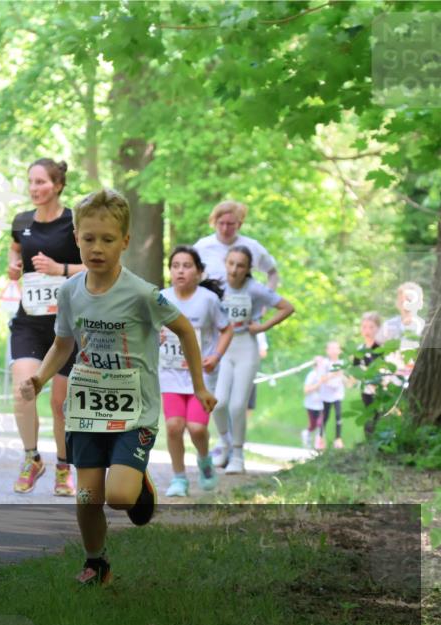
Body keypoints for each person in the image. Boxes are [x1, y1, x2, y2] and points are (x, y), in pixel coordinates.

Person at [19, 188, 216, 586]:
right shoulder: (70, 292)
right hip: (88, 407)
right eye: (88, 238)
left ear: (124, 242)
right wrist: (40, 378)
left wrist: (199, 386)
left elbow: (186, 332)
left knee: (120, 497)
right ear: (76, 237)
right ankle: (97, 562)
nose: (97, 248)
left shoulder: (142, 294)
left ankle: (138, 481)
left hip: (134, 410)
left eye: (108, 240)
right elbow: (63, 344)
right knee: (88, 497)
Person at [7, 158, 82, 496]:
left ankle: (64, 467)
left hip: (65, 327)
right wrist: (13, 266)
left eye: (41, 182)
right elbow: (16, 251)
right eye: (31, 182)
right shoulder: (22, 221)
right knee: (24, 388)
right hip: (28, 322)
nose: (34, 189)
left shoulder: (74, 221)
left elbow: (99, 265)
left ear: (58, 185)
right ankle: (32, 458)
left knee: (60, 404)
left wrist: (60, 269)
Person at [212, 246, 294, 474]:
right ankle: (223, 443)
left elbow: (287, 307)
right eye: (231, 264)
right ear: (225, 263)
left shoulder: (256, 289)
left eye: (240, 265)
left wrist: (262, 327)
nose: (235, 269)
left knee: (238, 405)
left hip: (246, 348)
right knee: (218, 403)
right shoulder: (217, 286)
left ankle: (238, 455)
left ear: (248, 269)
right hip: (224, 349)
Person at [159, 246, 231, 497]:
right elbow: (148, 329)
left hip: (202, 376)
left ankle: (204, 460)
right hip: (170, 374)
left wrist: (216, 356)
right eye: (175, 265)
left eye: (187, 266)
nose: (180, 270)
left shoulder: (208, 300)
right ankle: (179, 478)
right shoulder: (161, 298)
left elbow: (227, 329)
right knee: (174, 426)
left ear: (199, 272)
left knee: (197, 428)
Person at [193, 200, 279, 288]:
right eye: (221, 223)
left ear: (239, 224)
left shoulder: (251, 246)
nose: (225, 228)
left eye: (230, 224)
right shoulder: (202, 247)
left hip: (242, 299)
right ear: (214, 223)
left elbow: (272, 273)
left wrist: (267, 297)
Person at [380, 281, 425, 381]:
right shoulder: (388, 326)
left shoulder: (425, 328)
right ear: (397, 303)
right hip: (393, 378)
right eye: (402, 301)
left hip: (418, 379)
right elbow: (380, 353)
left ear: (419, 303)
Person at [354, 311, 383, 440]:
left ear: (378, 328)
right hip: (366, 389)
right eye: (364, 327)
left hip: (382, 389)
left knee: (381, 416)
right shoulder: (360, 349)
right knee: (369, 416)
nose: (368, 331)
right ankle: (369, 444)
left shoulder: (382, 347)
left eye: (371, 327)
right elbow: (355, 370)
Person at [319, 341, 346, 450]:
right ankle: (320, 437)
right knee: (325, 416)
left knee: (339, 415)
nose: (334, 351)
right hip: (326, 395)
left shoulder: (342, 363)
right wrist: (333, 374)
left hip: (337, 394)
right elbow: (322, 379)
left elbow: (346, 379)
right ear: (327, 351)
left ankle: (338, 438)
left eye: (336, 348)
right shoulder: (325, 363)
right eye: (332, 348)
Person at [302, 357, 327, 450]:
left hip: (322, 405)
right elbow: (306, 390)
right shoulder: (311, 375)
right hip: (311, 404)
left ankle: (319, 446)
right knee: (313, 425)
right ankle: (306, 435)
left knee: (321, 424)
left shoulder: (326, 375)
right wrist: (318, 384)